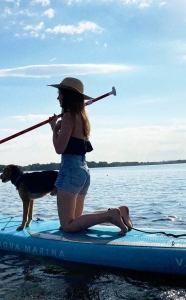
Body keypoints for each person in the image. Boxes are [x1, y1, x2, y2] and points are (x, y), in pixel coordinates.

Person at [48, 77, 132, 234]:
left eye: (59, 93)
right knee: (75, 221)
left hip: (71, 170)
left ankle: (110, 215)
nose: (57, 97)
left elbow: (60, 148)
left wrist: (54, 129)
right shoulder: (82, 116)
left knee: (67, 226)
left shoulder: (68, 116)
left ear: (67, 95)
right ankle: (119, 211)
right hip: (83, 170)